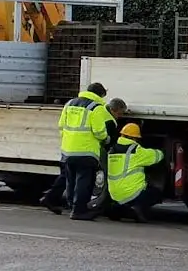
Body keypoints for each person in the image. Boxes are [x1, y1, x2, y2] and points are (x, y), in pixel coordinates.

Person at [41, 82, 126, 221]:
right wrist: (107, 139)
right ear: (100, 95)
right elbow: (99, 132)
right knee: (84, 181)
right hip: (86, 151)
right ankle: (78, 210)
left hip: (68, 149)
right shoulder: (96, 108)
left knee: (70, 179)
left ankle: (65, 203)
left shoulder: (69, 103)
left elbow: (61, 125)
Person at [106, 122, 166, 222]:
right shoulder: (136, 151)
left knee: (123, 198)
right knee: (156, 193)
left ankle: (118, 209)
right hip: (132, 194)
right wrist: (163, 151)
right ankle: (138, 208)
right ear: (134, 138)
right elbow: (157, 156)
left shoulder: (112, 150)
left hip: (114, 194)